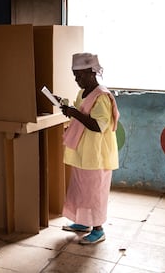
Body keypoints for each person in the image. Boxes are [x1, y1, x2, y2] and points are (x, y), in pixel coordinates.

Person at [59, 52, 119, 245]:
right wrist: (69, 111)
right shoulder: (82, 93)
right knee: (80, 188)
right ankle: (83, 222)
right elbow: (80, 118)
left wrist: (74, 112)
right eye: (75, 76)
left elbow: (98, 126)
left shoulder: (102, 96)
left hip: (96, 154)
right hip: (82, 150)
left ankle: (98, 229)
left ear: (92, 73)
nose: (77, 80)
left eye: (81, 75)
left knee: (94, 191)